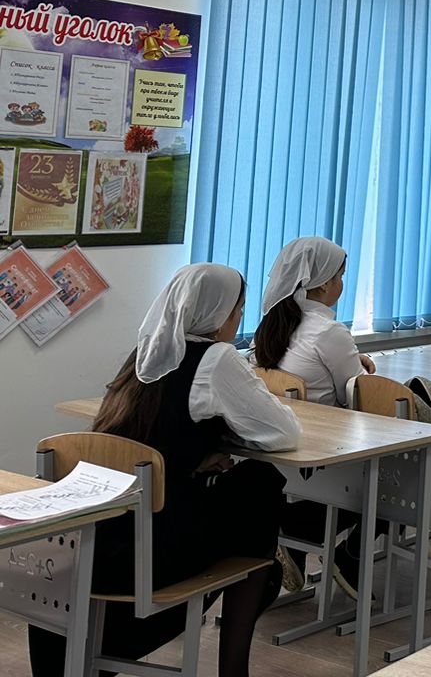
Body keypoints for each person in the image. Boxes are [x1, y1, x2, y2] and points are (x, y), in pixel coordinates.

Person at [29, 264, 300, 677]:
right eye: (238, 310)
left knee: (244, 498)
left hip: (102, 535)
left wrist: (192, 458)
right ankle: (235, 663)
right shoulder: (217, 358)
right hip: (152, 548)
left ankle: (265, 575)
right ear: (218, 315)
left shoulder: (146, 352)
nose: (238, 320)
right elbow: (282, 433)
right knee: (261, 484)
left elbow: (143, 442)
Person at [250, 236, 380, 598]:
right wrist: (362, 367)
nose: (341, 284)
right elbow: (355, 393)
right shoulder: (328, 331)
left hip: (281, 450)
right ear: (322, 284)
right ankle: (346, 555)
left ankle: (289, 539)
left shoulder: (273, 324)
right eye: (340, 276)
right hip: (327, 451)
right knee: (397, 482)